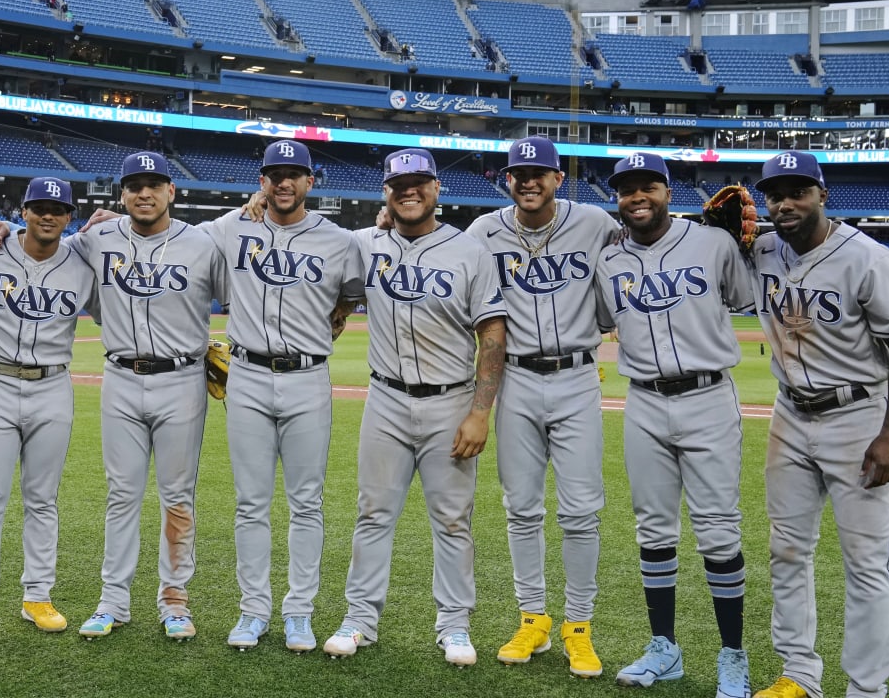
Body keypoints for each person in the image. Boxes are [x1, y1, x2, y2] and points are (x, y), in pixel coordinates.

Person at [321, 148, 506, 668]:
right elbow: (310, 245)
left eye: (419, 182)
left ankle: (454, 626)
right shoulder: (363, 244)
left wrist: (480, 411)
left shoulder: (469, 251)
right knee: (373, 513)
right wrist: (255, 202)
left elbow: (492, 332)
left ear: (434, 189)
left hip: (450, 400)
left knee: (452, 519)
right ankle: (360, 618)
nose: (409, 190)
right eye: (399, 183)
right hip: (386, 397)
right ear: (386, 191)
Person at [749, 151, 889, 698]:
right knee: (787, 550)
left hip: (857, 414)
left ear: (823, 195)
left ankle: (867, 688)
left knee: (865, 561)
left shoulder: (868, 258)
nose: (785, 203)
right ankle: (799, 674)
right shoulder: (760, 250)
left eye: (798, 191)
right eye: (775, 193)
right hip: (789, 413)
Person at [594, 152, 752, 698]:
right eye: (626, 189)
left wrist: (753, 245)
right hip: (642, 401)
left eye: (648, 187)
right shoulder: (607, 260)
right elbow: (597, 319)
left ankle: (733, 654)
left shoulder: (713, 243)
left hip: (708, 396)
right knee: (653, 529)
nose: (637, 197)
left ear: (667, 190)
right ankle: (666, 649)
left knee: (717, 529)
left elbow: (746, 295)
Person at [464, 136, 618, 674]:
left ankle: (578, 624)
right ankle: (533, 619)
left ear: (558, 179)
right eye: (518, 173)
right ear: (507, 180)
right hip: (516, 382)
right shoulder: (482, 232)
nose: (528, 180)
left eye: (539, 172)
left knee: (581, 511)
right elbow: (432, 249)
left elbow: (652, 237)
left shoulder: (596, 223)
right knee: (521, 508)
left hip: (577, 377)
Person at [208, 141, 363, 651]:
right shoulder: (233, 228)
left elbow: (356, 292)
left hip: (307, 377)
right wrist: (104, 218)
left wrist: (336, 317)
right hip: (247, 375)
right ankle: (253, 610)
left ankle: (299, 612)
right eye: (275, 174)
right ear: (262, 180)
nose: (284, 182)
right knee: (250, 504)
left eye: (294, 173)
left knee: (306, 504)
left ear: (310, 182)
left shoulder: (339, 240)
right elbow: (171, 237)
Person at [67, 152, 225, 641]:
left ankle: (174, 599)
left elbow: (243, 298)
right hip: (119, 377)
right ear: (121, 195)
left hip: (182, 379)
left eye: (154, 184)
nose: (144, 192)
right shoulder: (96, 238)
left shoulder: (202, 245)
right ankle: (113, 600)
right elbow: (39, 240)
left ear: (171, 193)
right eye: (134, 185)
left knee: (178, 496)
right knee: (122, 495)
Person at [0, 177, 95, 649]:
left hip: (53, 385)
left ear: (70, 217)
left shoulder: (83, 262)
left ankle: (37, 596)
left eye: (58, 209)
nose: (48, 216)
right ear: (23, 210)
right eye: (39, 207)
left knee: (42, 499)